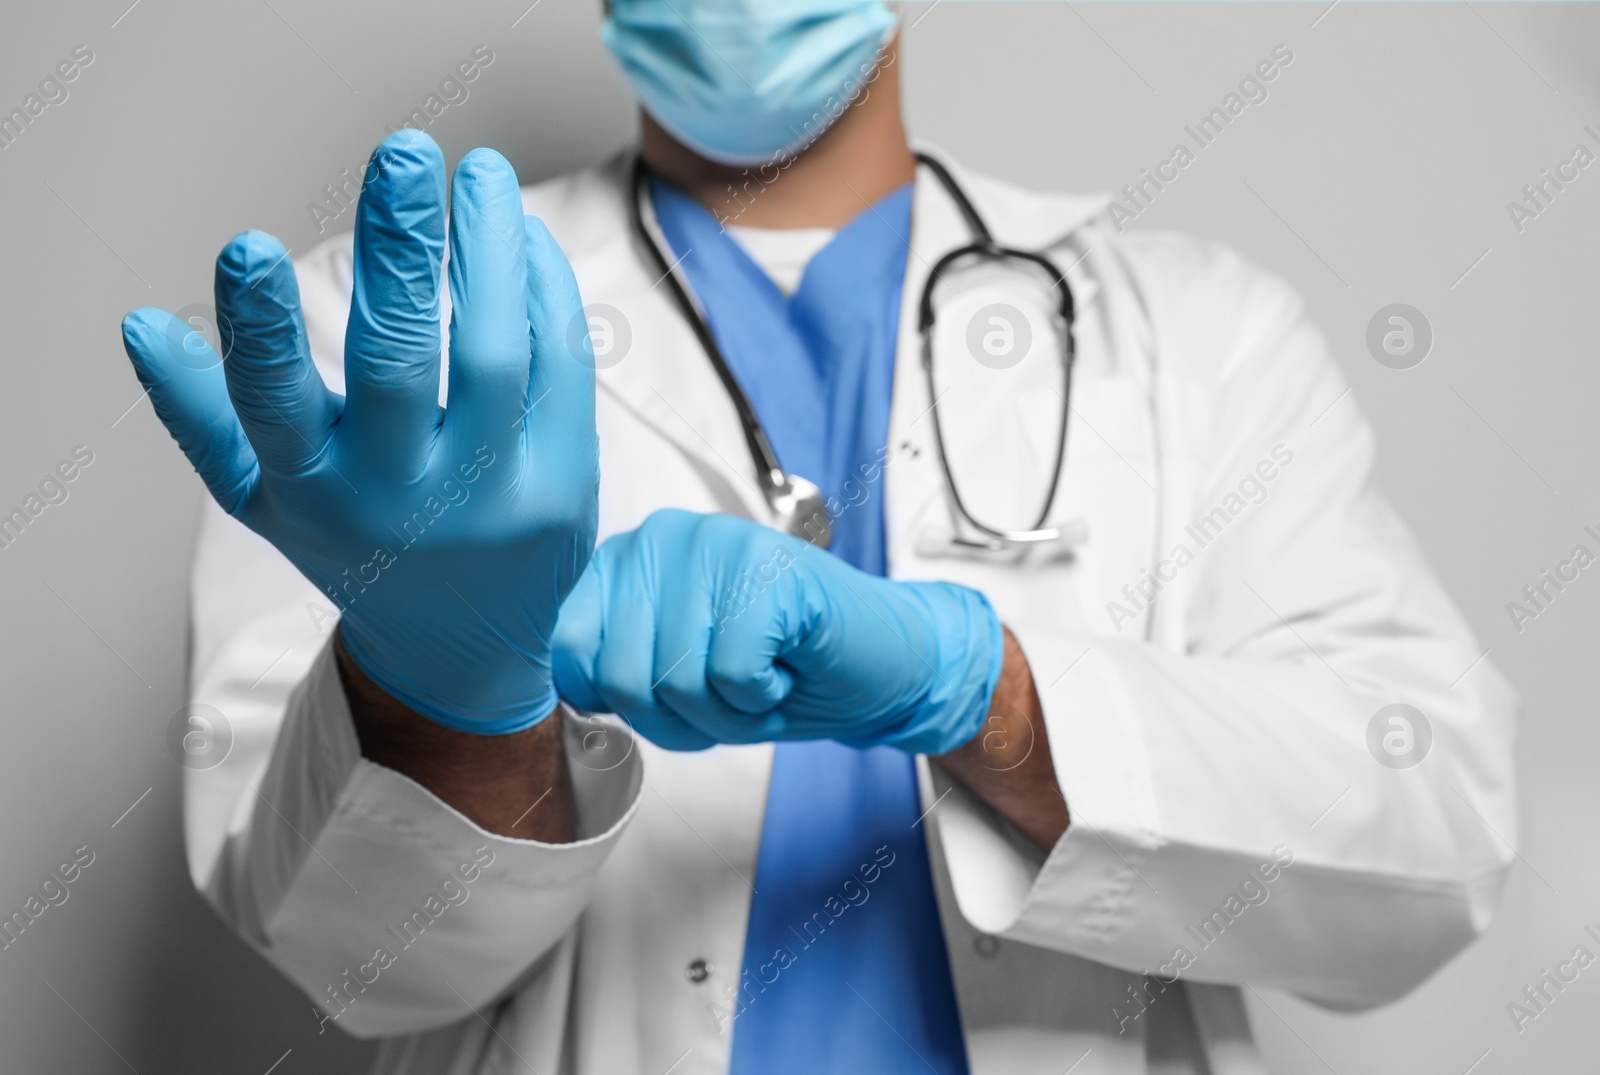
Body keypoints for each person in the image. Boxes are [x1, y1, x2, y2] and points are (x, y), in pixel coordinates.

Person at [120, 2, 1517, 1072]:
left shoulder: (1202, 336)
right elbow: (360, 962)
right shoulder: (379, 353)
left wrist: (988, 694)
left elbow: (1436, 833)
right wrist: (443, 696)